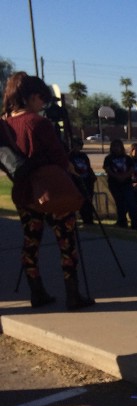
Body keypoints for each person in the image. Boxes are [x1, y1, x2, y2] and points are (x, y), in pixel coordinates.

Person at [2, 71, 95, 310]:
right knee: (66, 242)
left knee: (30, 242)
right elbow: (59, 158)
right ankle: (73, 294)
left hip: (24, 195)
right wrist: (72, 168)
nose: (43, 104)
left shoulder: (4, 125)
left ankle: (37, 291)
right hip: (53, 193)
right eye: (41, 98)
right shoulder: (38, 123)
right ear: (32, 97)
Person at [103, 138, 137, 230]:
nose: (117, 148)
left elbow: (131, 169)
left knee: (131, 203)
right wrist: (117, 177)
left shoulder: (127, 158)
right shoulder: (108, 158)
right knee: (119, 204)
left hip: (127, 183)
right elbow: (108, 170)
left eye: (118, 146)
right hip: (114, 183)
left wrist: (124, 176)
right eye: (115, 146)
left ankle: (135, 224)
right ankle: (122, 222)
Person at [68, 138, 97, 225]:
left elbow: (88, 167)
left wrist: (92, 175)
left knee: (88, 200)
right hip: (76, 181)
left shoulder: (83, 156)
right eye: (75, 145)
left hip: (87, 180)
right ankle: (82, 217)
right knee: (81, 201)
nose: (77, 147)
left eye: (78, 145)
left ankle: (89, 219)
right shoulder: (69, 156)